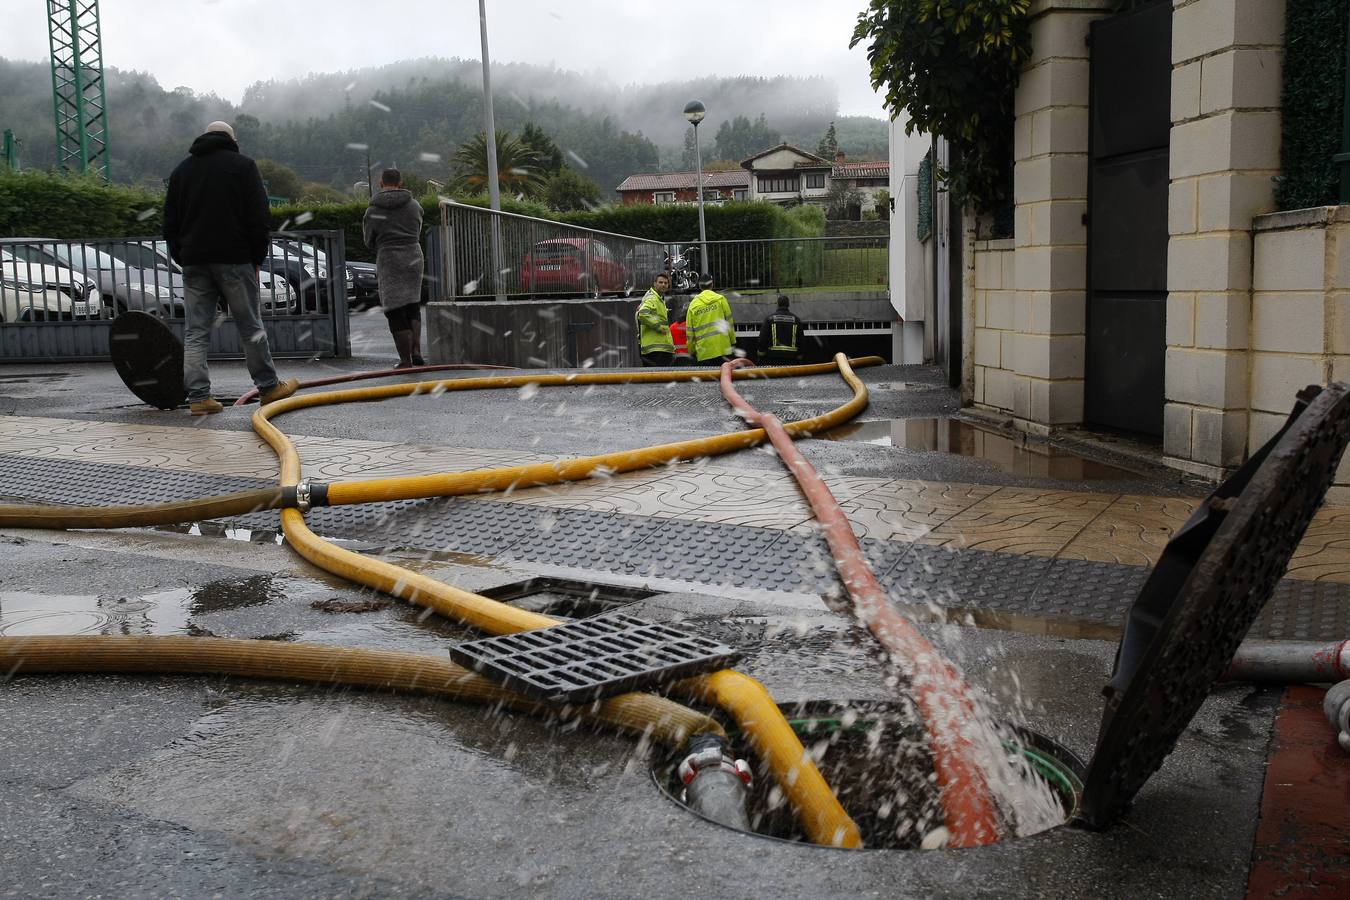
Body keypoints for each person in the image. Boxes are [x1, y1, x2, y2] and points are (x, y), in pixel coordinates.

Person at [163, 120, 298, 415]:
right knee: (250, 325)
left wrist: (183, 256)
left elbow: (170, 225)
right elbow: (258, 217)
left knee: (196, 331)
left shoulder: (181, 172)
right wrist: (257, 257)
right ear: (231, 140)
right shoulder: (243, 167)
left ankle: (198, 397)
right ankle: (268, 387)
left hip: (195, 261)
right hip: (235, 258)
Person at [363, 168, 427, 368]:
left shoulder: (372, 210)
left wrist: (384, 245)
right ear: (401, 182)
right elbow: (418, 229)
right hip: (413, 257)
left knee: (394, 309)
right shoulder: (415, 206)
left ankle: (405, 360)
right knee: (412, 305)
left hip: (388, 258)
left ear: (381, 183)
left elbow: (368, 241)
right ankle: (416, 351)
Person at [685, 274, 737, 365]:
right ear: (712, 284)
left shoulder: (693, 305)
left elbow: (690, 332)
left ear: (700, 286)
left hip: (704, 352)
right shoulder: (720, 299)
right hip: (723, 349)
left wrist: (691, 351)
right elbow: (729, 322)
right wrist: (733, 341)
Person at [635, 271, 674, 366]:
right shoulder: (653, 299)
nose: (663, 285)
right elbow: (643, 314)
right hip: (656, 349)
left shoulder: (658, 299)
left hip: (658, 348)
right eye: (660, 282)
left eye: (665, 283)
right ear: (655, 284)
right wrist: (658, 327)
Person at [758, 294, 803, 364]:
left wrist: (761, 355)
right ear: (788, 305)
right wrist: (799, 355)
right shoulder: (796, 320)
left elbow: (762, 338)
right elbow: (801, 340)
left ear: (777, 304)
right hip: (791, 359)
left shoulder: (769, 319)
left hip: (773, 358)